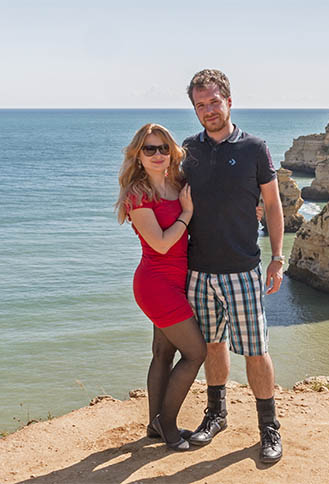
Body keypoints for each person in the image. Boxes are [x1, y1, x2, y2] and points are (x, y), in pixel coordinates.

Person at [181, 69, 286, 464]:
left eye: (213, 102)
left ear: (228, 100)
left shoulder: (254, 148)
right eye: (200, 105)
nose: (208, 110)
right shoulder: (188, 150)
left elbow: (273, 206)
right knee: (212, 345)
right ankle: (216, 414)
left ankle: (269, 427)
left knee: (256, 352)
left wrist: (277, 258)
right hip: (198, 272)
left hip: (243, 269)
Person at [116, 123, 206, 451]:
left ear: (172, 152)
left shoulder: (178, 183)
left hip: (179, 281)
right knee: (196, 353)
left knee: (163, 352)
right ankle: (168, 424)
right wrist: (187, 213)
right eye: (149, 149)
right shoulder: (138, 195)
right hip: (155, 285)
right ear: (138, 156)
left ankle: (154, 424)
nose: (157, 155)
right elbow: (163, 243)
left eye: (163, 148)